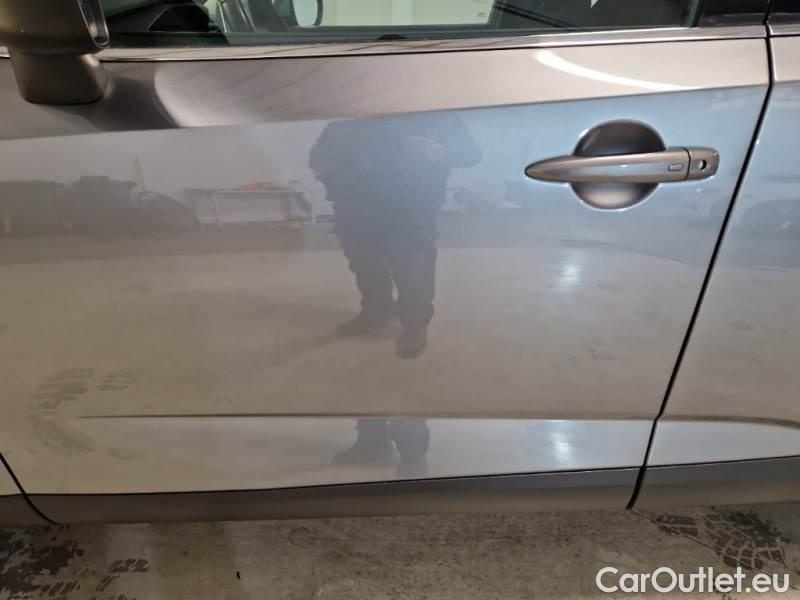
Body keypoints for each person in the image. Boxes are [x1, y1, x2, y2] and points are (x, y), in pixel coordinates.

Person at [310, 112, 481, 358]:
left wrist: (440, 151)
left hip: (411, 205)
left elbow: (471, 154)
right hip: (354, 204)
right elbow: (317, 155)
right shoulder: (350, 116)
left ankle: (414, 325)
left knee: (412, 268)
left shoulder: (436, 114)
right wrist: (323, 169)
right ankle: (376, 312)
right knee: (365, 264)